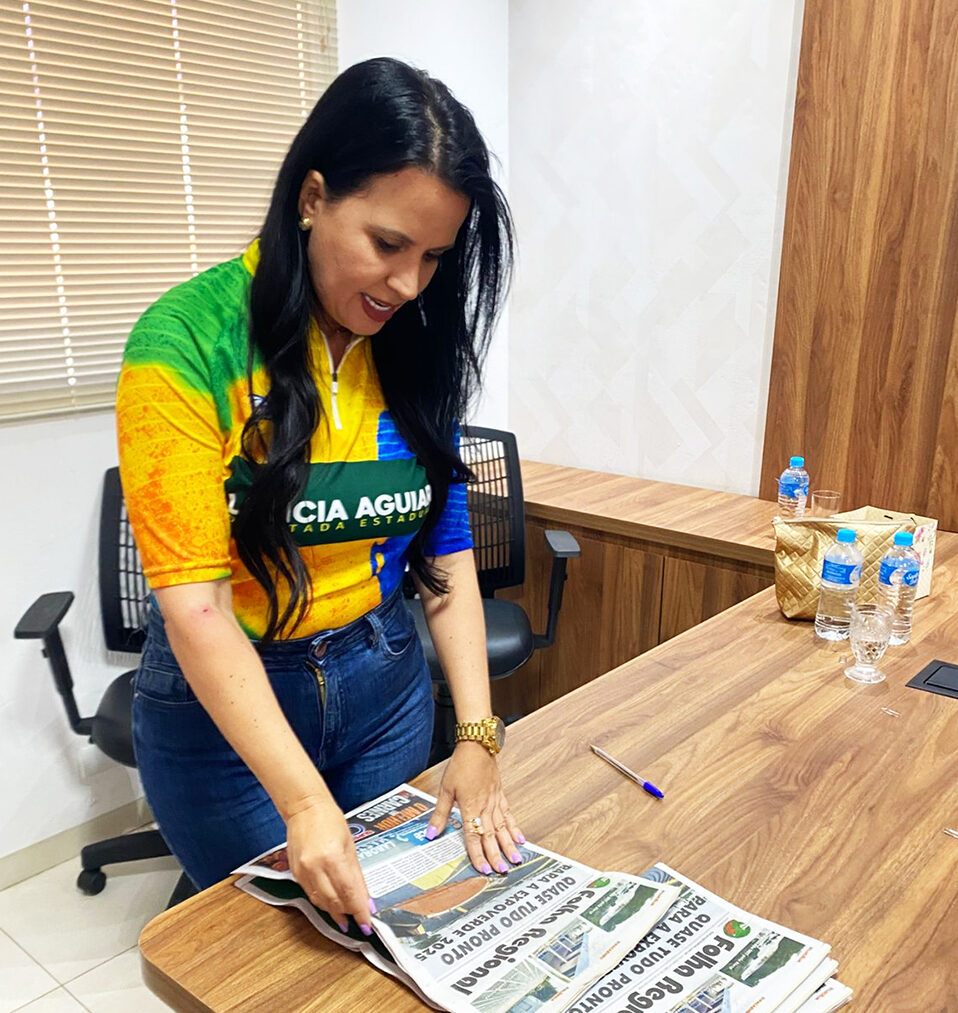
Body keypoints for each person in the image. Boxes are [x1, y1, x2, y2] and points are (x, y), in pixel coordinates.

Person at [116, 57, 523, 937]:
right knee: (277, 965)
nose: (409, 284)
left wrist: (476, 735)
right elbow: (194, 607)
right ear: (312, 197)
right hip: (228, 714)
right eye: (388, 244)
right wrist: (303, 803)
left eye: (434, 256)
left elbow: (447, 549)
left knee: (391, 947)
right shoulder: (186, 341)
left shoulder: (412, 344)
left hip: (384, 681)